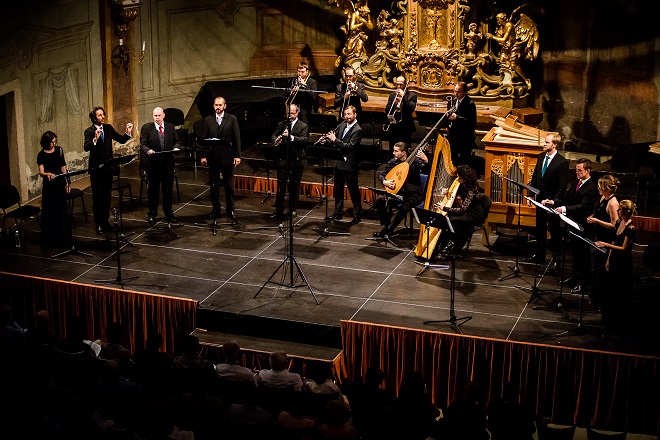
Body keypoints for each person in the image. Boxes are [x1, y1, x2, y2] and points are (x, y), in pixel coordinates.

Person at [549, 158, 599, 294]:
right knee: (575, 253)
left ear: (588, 171)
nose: (576, 173)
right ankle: (575, 277)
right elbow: (566, 197)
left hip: (583, 226)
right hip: (573, 224)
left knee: (583, 255)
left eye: (579, 171)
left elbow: (582, 207)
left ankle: (583, 282)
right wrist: (553, 201)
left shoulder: (591, 187)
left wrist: (564, 209)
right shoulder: (577, 183)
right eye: (576, 170)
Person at [83, 106, 133, 235]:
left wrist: (128, 132)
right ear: (94, 117)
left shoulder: (108, 128)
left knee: (106, 196)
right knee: (97, 197)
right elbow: (86, 147)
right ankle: (98, 223)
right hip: (96, 170)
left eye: (103, 114)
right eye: (99, 115)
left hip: (108, 168)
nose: (102, 117)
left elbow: (120, 139)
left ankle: (105, 221)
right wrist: (95, 139)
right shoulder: (89, 131)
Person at [525, 133, 568, 267]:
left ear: (554, 145)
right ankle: (540, 254)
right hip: (540, 200)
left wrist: (554, 201)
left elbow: (562, 186)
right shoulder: (541, 156)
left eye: (547, 142)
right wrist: (531, 195)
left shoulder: (561, 162)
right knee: (540, 229)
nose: (544, 144)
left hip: (552, 203)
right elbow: (535, 178)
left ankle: (556, 258)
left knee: (554, 231)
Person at [595, 200, 637, 330]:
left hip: (623, 263)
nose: (617, 211)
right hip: (614, 259)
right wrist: (608, 258)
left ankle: (619, 322)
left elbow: (624, 248)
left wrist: (606, 245)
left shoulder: (631, 229)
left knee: (620, 291)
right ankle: (609, 319)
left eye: (619, 210)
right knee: (611, 288)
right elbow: (614, 240)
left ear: (625, 212)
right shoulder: (619, 222)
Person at [374, 142, 429, 238]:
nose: (393, 153)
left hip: (414, 194)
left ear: (403, 153)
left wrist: (426, 161)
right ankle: (386, 225)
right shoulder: (393, 162)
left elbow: (426, 169)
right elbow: (381, 174)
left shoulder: (416, 162)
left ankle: (389, 230)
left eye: (396, 151)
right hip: (400, 192)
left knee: (405, 207)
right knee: (379, 200)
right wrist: (384, 182)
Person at [200, 96, 242, 220]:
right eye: (216, 105)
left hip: (227, 157)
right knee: (214, 185)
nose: (218, 107)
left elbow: (237, 138)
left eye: (220, 105)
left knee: (229, 185)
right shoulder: (208, 120)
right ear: (213, 106)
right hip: (213, 157)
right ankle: (216, 209)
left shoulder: (232, 119)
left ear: (224, 106)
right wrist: (203, 156)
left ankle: (230, 209)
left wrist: (237, 155)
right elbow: (205, 139)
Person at [140, 107, 181, 224]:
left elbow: (176, 141)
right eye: (155, 116)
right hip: (153, 165)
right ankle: (152, 214)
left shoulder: (170, 127)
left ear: (163, 115)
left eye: (159, 115)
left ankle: (169, 214)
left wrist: (176, 147)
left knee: (168, 191)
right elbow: (143, 144)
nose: (157, 118)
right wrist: (148, 150)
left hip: (167, 164)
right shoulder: (147, 128)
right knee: (153, 190)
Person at [324, 105, 363, 224]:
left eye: (349, 114)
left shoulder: (358, 130)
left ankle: (357, 215)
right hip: (339, 162)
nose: (347, 117)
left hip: (350, 165)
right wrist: (327, 139)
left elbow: (349, 147)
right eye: (345, 114)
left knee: (353, 191)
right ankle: (337, 213)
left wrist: (334, 140)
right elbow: (336, 140)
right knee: (338, 190)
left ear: (355, 114)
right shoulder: (342, 125)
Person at [269, 104, 309, 221]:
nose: (289, 115)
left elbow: (304, 140)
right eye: (288, 113)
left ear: (297, 113)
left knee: (294, 186)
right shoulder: (282, 124)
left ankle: (293, 209)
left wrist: (291, 137)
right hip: (283, 160)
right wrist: (276, 140)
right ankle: (278, 209)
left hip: (296, 161)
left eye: (292, 113)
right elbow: (273, 135)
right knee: (281, 186)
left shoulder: (303, 126)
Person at [586, 174, 620, 309]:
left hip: (607, 240)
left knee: (602, 270)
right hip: (598, 237)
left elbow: (614, 225)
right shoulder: (602, 198)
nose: (598, 188)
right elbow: (599, 213)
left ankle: (602, 301)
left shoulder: (613, 203)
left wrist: (596, 221)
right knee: (596, 269)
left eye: (601, 186)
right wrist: (593, 217)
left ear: (606, 188)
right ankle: (595, 298)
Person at [437, 165, 487, 253]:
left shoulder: (472, 189)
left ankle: (455, 244)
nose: (458, 179)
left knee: (452, 220)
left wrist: (444, 208)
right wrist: (447, 192)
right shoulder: (462, 185)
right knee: (447, 219)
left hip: (475, 215)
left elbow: (463, 209)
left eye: (460, 178)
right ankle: (447, 244)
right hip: (468, 212)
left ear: (465, 178)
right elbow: (454, 195)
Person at [37, 131, 71, 248]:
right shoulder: (41, 155)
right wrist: (47, 174)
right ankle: (51, 239)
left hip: (59, 183)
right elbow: (41, 171)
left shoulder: (59, 150)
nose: (54, 144)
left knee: (61, 210)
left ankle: (63, 238)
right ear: (46, 142)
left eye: (55, 142)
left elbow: (63, 166)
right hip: (49, 185)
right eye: (52, 142)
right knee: (50, 212)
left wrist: (67, 181)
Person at [446, 81, 476, 166]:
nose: (456, 93)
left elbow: (471, 121)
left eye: (458, 91)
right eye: (455, 91)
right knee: (453, 158)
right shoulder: (454, 100)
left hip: (464, 136)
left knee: (464, 160)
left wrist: (457, 117)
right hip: (454, 135)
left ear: (465, 92)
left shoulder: (470, 103)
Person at [384, 76, 417, 148]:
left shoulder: (412, 96)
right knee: (393, 149)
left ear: (405, 84)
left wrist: (403, 97)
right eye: (397, 84)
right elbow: (387, 110)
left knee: (405, 149)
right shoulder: (392, 95)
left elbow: (411, 109)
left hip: (406, 127)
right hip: (394, 127)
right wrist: (394, 103)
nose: (398, 86)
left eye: (401, 84)